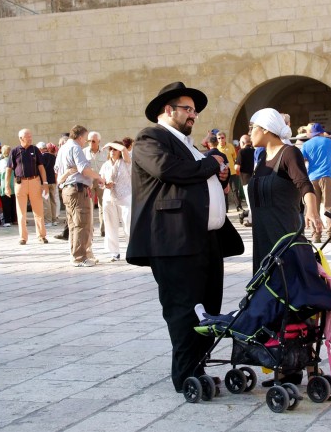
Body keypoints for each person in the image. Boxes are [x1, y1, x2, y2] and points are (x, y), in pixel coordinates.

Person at [126, 82, 243, 394]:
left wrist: (221, 172)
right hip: (173, 242)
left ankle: (198, 366)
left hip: (205, 240)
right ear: (169, 110)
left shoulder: (191, 146)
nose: (194, 115)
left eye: (195, 110)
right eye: (188, 109)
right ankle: (185, 375)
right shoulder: (151, 138)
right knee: (183, 309)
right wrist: (210, 164)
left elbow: (199, 175)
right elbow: (168, 170)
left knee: (208, 309)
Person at [248, 108, 322, 273]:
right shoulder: (261, 158)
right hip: (261, 233)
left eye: (252, 128)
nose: (250, 133)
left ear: (266, 128)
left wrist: (312, 210)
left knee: (285, 278)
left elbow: (304, 183)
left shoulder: (289, 153)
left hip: (282, 231)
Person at [59, 125, 105, 267]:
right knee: (82, 224)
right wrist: (99, 177)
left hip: (67, 189)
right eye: (85, 138)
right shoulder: (75, 148)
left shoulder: (62, 148)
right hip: (78, 190)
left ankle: (76, 254)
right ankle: (80, 257)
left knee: (74, 225)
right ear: (79, 137)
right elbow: (84, 170)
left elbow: (58, 171)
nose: (85, 141)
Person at [5, 129, 49, 245]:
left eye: (30, 136)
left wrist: (45, 183)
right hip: (20, 183)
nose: (30, 138)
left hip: (34, 181)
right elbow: (9, 169)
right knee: (21, 212)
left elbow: (41, 168)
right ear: (21, 138)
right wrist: (6, 186)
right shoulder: (14, 151)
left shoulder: (35, 150)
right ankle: (23, 237)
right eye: (27, 136)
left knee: (38, 210)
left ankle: (41, 235)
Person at [301, 123, 331, 243]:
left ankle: (316, 236)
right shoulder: (328, 142)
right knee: (330, 207)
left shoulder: (306, 144)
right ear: (321, 132)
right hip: (327, 176)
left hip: (312, 178)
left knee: (313, 208)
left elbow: (303, 160)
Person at [99, 141, 132, 262]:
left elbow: (124, 149)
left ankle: (131, 251)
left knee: (128, 225)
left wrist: (109, 143)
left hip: (125, 196)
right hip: (109, 197)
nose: (112, 151)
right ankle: (114, 253)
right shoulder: (105, 165)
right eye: (110, 149)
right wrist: (105, 184)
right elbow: (100, 180)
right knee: (110, 225)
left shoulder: (126, 162)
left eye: (114, 149)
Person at [83, 131, 107, 236]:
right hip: (89, 182)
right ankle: (90, 229)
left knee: (103, 206)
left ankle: (104, 230)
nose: (91, 143)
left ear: (99, 141)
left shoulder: (105, 152)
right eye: (89, 141)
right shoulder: (83, 152)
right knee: (89, 207)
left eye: (93, 141)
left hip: (101, 181)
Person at [215, 131, 242, 212]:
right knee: (224, 191)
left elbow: (234, 157)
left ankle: (238, 206)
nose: (221, 140)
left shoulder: (230, 146)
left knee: (235, 190)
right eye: (219, 138)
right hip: (223, 173)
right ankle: (226, 209)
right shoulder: (217, 148)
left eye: (222, 138)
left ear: (225, 138)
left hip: (232, 172)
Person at [235, 134, 255, 227]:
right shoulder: (255, 151)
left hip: (246, 179)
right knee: (254, 201)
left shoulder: (241, 152)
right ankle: (250, 217)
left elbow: (237, 167)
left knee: (249, 201)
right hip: (255, 178)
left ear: (242, 142)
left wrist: (237, 173)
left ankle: (251, 220)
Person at [37, 142, 58, 226]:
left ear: (40, 149)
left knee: (46, 201)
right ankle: (54, 219)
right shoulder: (53, 157)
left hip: (44, 182)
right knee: (53, 201)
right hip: (53, 181)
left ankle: (48, 220)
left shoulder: (41, 157)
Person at [0, 145, 16, 227]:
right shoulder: (14, 161)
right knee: (13, 203)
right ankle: (14, 219)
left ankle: (7, 221)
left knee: (6, 203)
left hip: (4, 185)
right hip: (14, 185)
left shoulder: (1, 162)